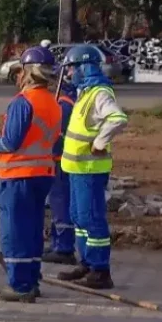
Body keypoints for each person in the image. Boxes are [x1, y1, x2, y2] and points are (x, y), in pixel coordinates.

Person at [0, 46, 62, 302]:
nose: (17, 77)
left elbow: (10, 143)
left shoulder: (22, 102)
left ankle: (19, 285)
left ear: (28, 72)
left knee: (14, 231)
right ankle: (31, 278)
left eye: (19, 72)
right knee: (33, 229)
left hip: (19, 178)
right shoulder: (52, 103)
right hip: (42, 174)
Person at [58, 44, 128, 289]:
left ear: (84, 67)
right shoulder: (85, 92)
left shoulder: (99, 93)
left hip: (90, 170)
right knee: (79, 217)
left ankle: (100, 270)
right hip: (77, 169)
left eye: (72, 69)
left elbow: (118, 118)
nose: (68, 74)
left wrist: (99, 142)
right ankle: (86, 262)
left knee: (92, 218)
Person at [42, 76, 78, 265]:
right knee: (58, 204)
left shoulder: (63, 106)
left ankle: (63, 247)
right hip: (63, 160)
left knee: (61, 204)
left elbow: (56, 135)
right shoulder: (70, 101)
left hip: (60, 161)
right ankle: (58, 244)